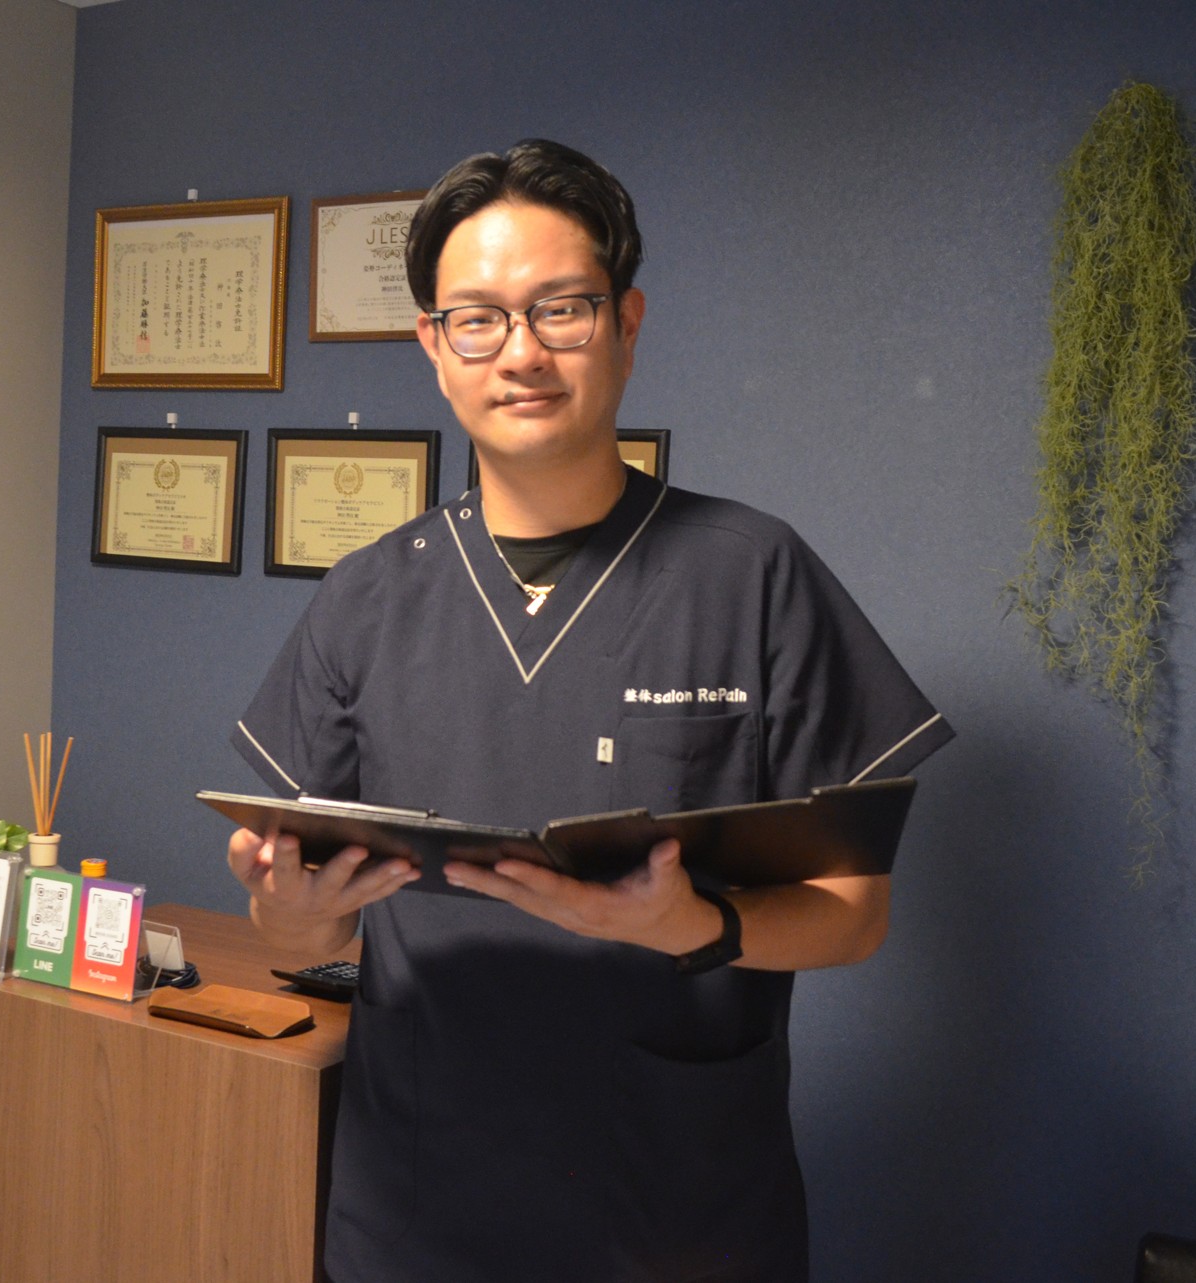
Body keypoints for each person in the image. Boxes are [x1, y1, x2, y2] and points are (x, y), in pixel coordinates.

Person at [227, 139, 953, 1282]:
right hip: (417, 1202)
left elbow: (852, 915)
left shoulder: (752, 571)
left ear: (626, 320)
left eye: (560, 308)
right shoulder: (366, 595)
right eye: (477, 319)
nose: (521, 352)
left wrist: (686, 924)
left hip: (675, 1202)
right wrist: (290, 911)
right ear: (434, 345)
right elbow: (298, 932)